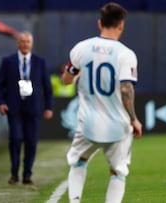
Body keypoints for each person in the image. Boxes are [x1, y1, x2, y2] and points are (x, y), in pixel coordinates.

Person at [61, 2, 143, 203]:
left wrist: (77, 73)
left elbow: (66, 79)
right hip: (118, 124)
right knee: (117, 172)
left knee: (79, 162)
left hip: (87, 123)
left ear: (100, 23)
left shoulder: (81, 48)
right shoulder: (126, 54)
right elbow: (126, 88)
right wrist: (134, 119)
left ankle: (75, 201)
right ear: (121, 25)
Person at [0, 31, 54, 185]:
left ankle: (27, 174)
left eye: (28, 41)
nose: (25, 44)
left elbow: (47, 87)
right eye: (22, 41)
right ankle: (14, 174)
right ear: (17, 44)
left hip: (33, 108)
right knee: (15, 139)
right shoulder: (8, 61)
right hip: (13, 107)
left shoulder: (40, 62)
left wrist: (49, 106)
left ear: (31, 44)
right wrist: (1, 102)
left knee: (31, 142)